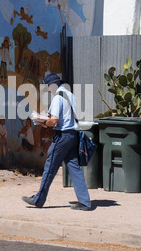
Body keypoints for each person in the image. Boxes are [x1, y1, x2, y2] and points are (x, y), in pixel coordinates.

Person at [22, 73, 91, 211]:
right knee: (74, 168)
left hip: (63, 136)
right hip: (73, 135)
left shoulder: (57, 98)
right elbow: (64, 116)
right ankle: (85, 202)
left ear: (52, 85)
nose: (47, 89)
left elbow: (53, 121)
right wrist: (47, 118)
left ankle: (38, 199)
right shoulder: (70, 95)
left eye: (48, 86)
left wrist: (43, 123)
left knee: (50, 167)